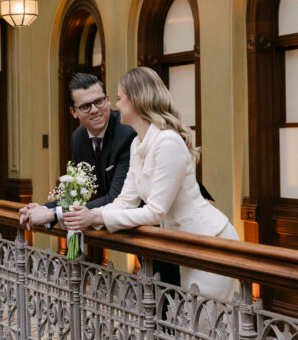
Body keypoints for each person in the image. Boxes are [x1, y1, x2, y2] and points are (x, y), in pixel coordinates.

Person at [62, 66, 239, 302]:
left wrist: (96, 216)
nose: (116, 105)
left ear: (136, 101)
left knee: (204, 321)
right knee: (189, 320)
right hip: (182, 246)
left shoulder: (168, 142)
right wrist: (86, 215)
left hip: (210, 242)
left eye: (119, 98)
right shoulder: (138, 144)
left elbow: (156, 211)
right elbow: (125, 201)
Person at [19, 73, 136, 238]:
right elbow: (75, 193)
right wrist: (44, 208)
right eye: (85, 106)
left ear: (108, 100)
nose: (94, 110)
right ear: (73, 112)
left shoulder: (127, 133)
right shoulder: (78, 138)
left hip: (148, 229)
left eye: (99, 101)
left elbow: (115, 197)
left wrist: (54, 213)